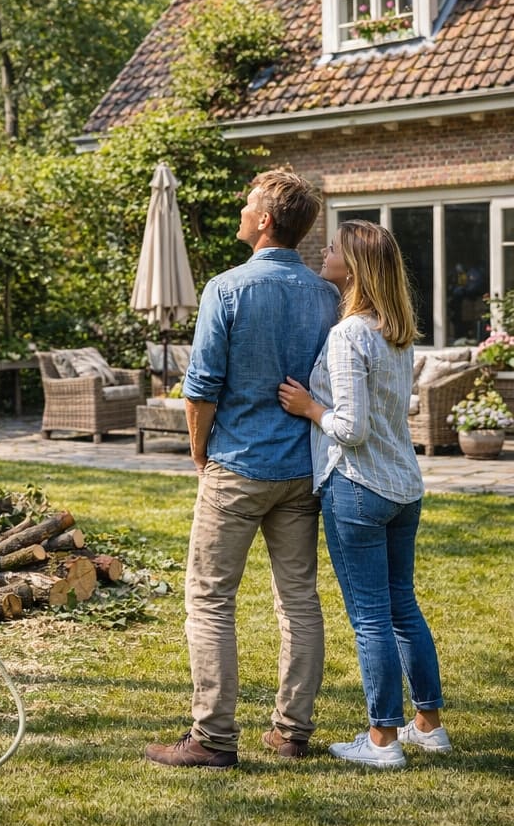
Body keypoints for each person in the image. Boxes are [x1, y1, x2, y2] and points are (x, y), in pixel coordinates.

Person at [146, 169, 340, 771]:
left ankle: (212, 738)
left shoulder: (226, 288)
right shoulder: (328, 296)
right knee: (299, 601)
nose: (241, 210)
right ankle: (290, 732)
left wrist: (199, 451)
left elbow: (200, 387)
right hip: (301, 470)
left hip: (238, 464)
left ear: (264, 221)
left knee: (209, 601)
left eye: (248, 204)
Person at [278, 220, 452, 768]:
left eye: (331, 248)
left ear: (351, 268)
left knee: (372, 618)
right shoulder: (394, 331)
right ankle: (428, 724)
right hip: (404, 487)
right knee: (403, 606)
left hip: (358, 487)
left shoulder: (349, 333)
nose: (323, 252)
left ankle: (381, 741)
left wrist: (310, 408)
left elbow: (350, 427)